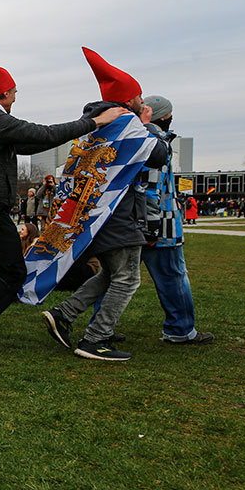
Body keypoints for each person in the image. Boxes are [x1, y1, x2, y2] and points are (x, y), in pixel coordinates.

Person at [0, 37, 128, 360]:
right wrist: (94, 122)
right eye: (13, 94)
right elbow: (43, 135)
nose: (14, 101)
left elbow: (30, 144)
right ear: (4, 93)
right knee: (13, 274)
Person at [40, 48, 168, 361]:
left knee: (111, 275)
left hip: (94, 213)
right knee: (127, 279)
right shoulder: (127, 123)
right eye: (139, 96)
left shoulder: (96, 123)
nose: (143, 102)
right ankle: (95, 339)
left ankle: (64, 313)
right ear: (129, 100)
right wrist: (148, 125)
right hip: (116, 213)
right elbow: (158, 155)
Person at [132, 95, 213, 345]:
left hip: (137, 223)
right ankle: (180, 329)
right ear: (164, 116)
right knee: (173, 277)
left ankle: (98, 326)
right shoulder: (156, 142)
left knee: (115, 279)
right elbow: (150, 188)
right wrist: (152, 229)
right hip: (160, 226)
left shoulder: (139, 139)